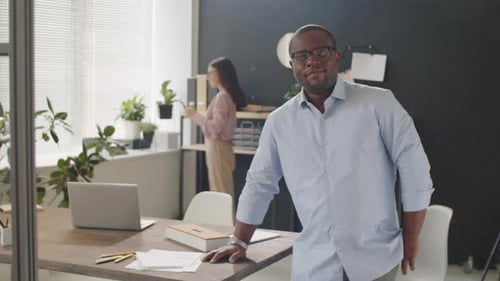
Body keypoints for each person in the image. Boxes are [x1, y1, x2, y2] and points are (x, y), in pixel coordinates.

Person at [202, 24, 434, 281]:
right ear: (292, 65)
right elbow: (259, 183)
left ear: (337, 56)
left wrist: (411, 236)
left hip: (375, 260)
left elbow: (415, 169)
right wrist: (239, 241)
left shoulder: (379, 104)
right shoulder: (280, 122)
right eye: (302, 56)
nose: (312, 60)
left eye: (321, 52)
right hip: (314, 265)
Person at [183, 57, 246, 199]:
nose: (208, 77)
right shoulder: (225, 96)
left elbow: (215, 128)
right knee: (222, 191)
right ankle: (227, 221)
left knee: (220, 194)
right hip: (220, 147)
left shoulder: (222, 97)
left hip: (218, 147)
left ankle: (226, 222)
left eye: (211, 72)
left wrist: (194, 115)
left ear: (221, 73)